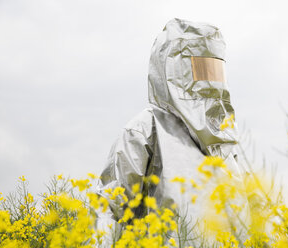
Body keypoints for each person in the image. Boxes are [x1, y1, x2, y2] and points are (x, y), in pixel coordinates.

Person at [96, 18, 242, 245]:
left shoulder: (223, 142)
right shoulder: (146, 129)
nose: (210, 80)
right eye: (201, 69)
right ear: (173, 69)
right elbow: (110, 210)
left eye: (215, 70)